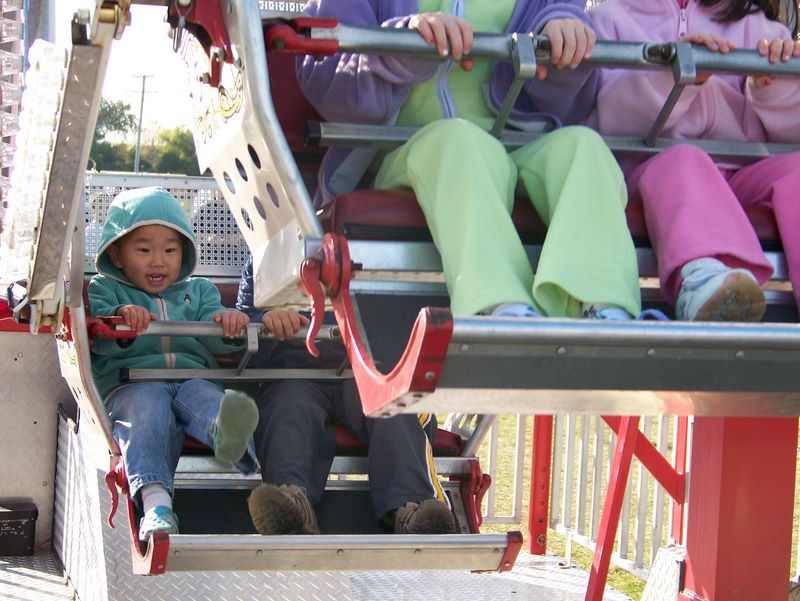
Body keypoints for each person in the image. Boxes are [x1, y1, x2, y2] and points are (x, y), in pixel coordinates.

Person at [296, 0, 643, 321]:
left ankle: (605, 308)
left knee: (584, 146)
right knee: (459, 141)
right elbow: (326, 79)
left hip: (517, 144)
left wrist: (563, 42)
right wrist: (398, 48)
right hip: (406, 151)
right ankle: (499, 306)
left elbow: (571, 107)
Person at [588, 0, 800, 321]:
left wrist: (774, 86)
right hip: (654, 167)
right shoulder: (607, 21)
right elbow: (608, 124)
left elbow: (790, 138)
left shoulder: (758, 26)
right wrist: (677, 78)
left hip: (741, 167)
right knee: (685, 159)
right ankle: (706, 282)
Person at [237, 256, 457, 535]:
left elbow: (406, 308)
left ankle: (413, 508)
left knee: (390, 406)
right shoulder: (267, 258)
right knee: (286, 409)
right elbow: (244, 327)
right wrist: (266, 322)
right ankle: (291, 509)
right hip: (295, 372)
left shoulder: (376, 251)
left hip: (364, 370)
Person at [88, 186, 260, 541]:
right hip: (132, 382)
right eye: (144, 250)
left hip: (190, 377)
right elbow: (100, 337)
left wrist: (228, 324)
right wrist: (122, 317)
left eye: (169, 250)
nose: (158, 261)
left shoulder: (199, 291)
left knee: (207, 398)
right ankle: (156, 506)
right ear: (117, 255)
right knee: (146, 414)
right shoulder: (106, 289)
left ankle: (230, 435)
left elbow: (215, 331)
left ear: (184, 253)